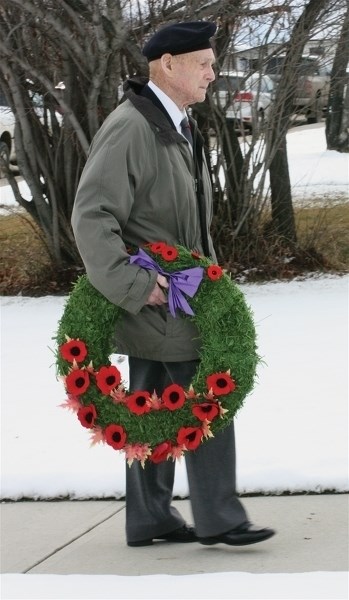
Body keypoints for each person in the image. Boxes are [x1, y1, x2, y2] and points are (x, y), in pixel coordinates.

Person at [71, 20, 275, 548]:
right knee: (211, 395)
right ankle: (221, 518)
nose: (213, 72)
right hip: (163, 298)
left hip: (176, 296)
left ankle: (150, 517)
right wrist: (139, 288)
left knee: (150, 405)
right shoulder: (131, 128)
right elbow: (93, 216)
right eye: (205, 63)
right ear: (168, 64)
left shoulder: (173, 123)